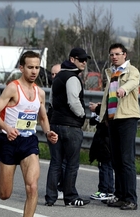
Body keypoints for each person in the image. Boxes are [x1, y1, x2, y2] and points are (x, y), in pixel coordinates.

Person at [0, 51, 58, 217]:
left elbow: (42, 117)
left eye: (37, 67)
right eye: (30, 67)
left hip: (28, 142)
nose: (34, 71)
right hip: (8, 141)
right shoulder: (12, 88)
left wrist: (48, 132)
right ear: (21, 68)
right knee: (4, 194)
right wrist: (8, 128)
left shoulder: (40, 93)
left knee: (32, 186)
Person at [45, 47, 90, 207]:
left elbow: (51, 101)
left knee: (56, 162)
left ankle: (50, 197)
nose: (84, 62)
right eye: (81, 59)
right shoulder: (72, 78)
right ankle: (70, 197)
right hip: (70, 126)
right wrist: (82, 115)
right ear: (72, 60)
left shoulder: (57, 77)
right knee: (71, 163)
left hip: (55, 123)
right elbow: (73, 100)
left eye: (85, 60)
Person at [99, 43, 140, 210]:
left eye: (117, 54)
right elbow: (108, 96)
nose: (114, 57)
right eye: (112, 54)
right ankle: (120, 195)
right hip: (113, 119)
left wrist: (123, 89)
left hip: (127, 118)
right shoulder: (111, 72)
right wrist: (102, 114)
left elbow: (132, 83)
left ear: (124, 55)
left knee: (126, 160)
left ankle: (131, 198)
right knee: (116, 160)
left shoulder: (132, 70)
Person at [88, 102, 116, 202]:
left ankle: (103, 190)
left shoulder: (106, 109)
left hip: (104, 141)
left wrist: (98, 109)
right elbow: (92, 121)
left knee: (104, 166)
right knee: (108, 166)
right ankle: (109, 191)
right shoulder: (105, 107)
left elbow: (94, 121)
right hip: (108, 140)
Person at [46, 63, 64, 200]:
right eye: (52, 74)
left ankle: (63, 187)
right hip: (53, 123)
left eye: (56, 74)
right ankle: (55, 189)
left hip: (65, 124)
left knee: (65, 160)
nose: (54, 77)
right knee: (56, 158)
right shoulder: (53, 87)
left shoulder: (67, 84)